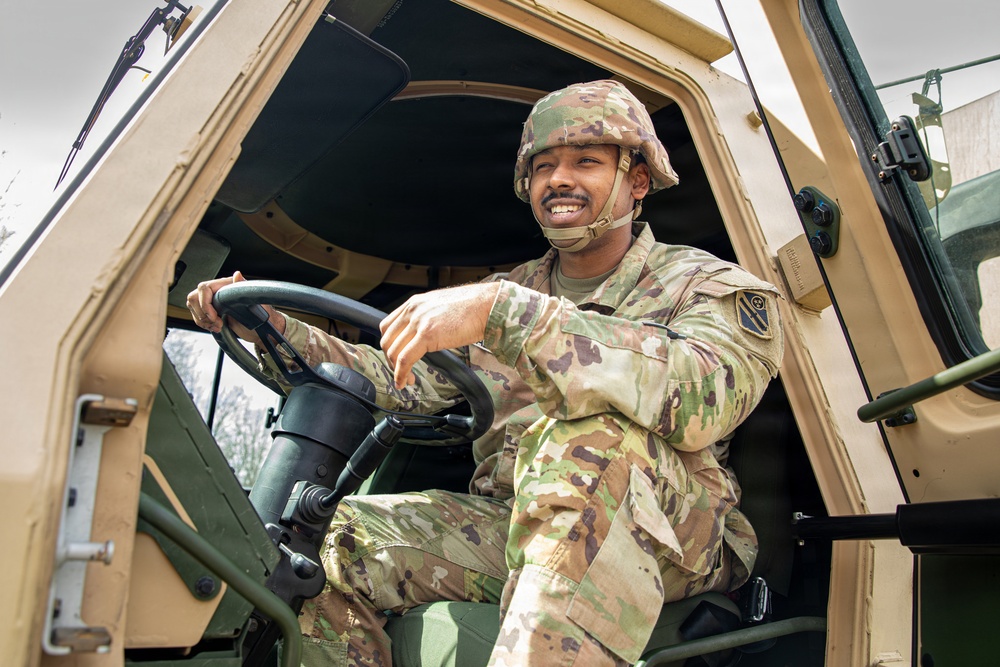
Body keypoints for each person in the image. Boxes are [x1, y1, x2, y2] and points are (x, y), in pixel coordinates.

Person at [188, 79, 783, 667]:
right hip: (515, 520)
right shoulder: (512, 289)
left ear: (638, 180)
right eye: (544, 166)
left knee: (586, 444)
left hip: (669, 533)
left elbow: (705, 395)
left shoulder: (704, 286)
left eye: (586, 161)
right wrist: (272, 328)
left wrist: (507, 314)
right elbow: (394, 381)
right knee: (324, 541)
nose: (560, 179)